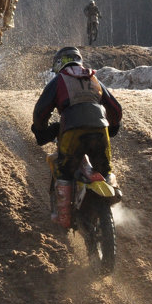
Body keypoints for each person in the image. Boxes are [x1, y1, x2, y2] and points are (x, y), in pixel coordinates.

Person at [31, 47, 123, 219]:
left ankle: (63, 217)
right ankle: (113, 192)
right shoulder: (93, 78)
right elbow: (116, 108)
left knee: (64, 170)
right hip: (100, 130)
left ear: (60, 63)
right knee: (104, 169)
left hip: (71, 131)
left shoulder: (59, 80)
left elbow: (41, 112)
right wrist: (113, 126)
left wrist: (41, 129)